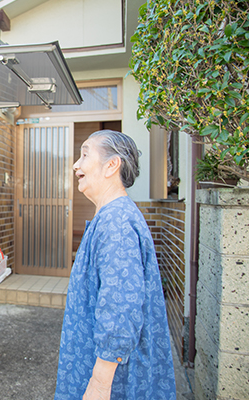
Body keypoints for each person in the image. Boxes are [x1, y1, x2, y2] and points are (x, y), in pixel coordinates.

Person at [54, 130, 176, 400]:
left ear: (112, 165)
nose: (76, 164)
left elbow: (120, 307)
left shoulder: (116, 222)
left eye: (85, 154)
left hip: (115, 381)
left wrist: (99, 384)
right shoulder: (111, 215)